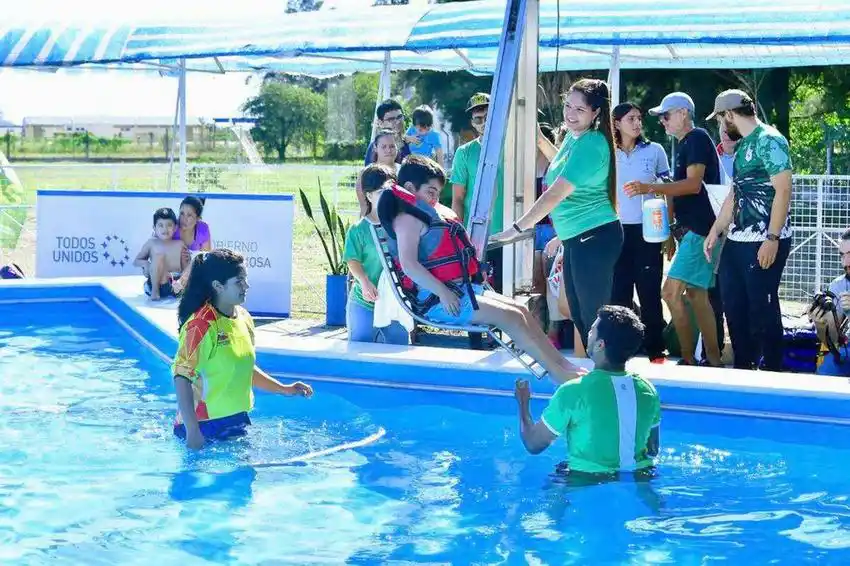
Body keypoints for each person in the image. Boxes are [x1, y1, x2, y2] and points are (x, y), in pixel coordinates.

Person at [378, 155, 586, 385]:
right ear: (409, 188)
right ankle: (558, 375)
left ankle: (563, 364)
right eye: (430, 191)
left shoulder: (425, 212)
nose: (435, 198)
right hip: (438, 300)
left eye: (438, 192)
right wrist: (442, 292)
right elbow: (409, 265)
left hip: (461, 289)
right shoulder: (406, 219)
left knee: (521, 311)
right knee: (512, 319)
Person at [492, 78, 622, 353]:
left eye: (579, 110)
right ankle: (594, 370)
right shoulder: (573, 139)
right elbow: (560, 164)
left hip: (595, 236)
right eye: (567, 106)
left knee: (593, 316)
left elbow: (554, 194)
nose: (570, 114)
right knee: (576, 311)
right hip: (576, 237)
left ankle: (609, 372)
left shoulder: (592, 143)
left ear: (596, 112)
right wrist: (538, 137)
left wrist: (516, 229)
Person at [172, 248, 313, 450]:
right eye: (239, 281)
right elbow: (181, 377)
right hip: (203, 426)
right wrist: (193, 431)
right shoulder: (200, 326)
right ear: (218, 286)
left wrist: (284, 389)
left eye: (245, 279)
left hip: (237, 420)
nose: (247, 286)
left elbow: (243, 368)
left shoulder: (244, 318)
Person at [624, 92, 723, 367]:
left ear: (682, 113)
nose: (662, 122)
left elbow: (692, 185)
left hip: (699, 231)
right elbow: (681, 192)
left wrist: (649, 188)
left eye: (665, 116)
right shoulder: (686, 144)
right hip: (696, 232)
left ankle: (691, 359)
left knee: (670, 293)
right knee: (696, 295)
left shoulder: (697, 139)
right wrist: (669, 228)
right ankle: (713, 360)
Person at [514, 305, 661, 476]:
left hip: (586, 482)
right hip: (640, 476)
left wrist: (523, 404)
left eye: (591, 331)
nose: (587, 335)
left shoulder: (572, 392)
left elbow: (533, 444)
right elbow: (652, 450)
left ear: (600, 345)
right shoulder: (648, 391)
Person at [705, 89, 793, 372]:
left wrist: (772, 237)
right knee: (732, 305)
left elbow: (783, 190)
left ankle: (773, 372)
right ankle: (744, 368)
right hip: (737, 239)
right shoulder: (744, 145)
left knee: (762, 308)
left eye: (720, 119)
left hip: (764, 238)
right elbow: (736, 192)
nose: (720, 125)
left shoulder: (770, 140)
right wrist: (716, 229)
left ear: (729, 115)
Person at [610, 102, 672, 363]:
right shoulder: (607, 153)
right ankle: (622, 350)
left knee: (649, 292)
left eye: (639, 118)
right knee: (618, 294)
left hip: (648, 231)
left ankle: (656, 350)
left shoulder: (655, 150)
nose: (637, 123)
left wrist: (668, 231)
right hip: (615, 231)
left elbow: (669, 189)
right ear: (616, 123)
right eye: (630, 118)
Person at [450, 92, 506, 349]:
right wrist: (458, 233)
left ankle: (505, 340)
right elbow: (458, 197)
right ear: (473, 122)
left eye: (488, 116)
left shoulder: (511, 148)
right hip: (477, 234)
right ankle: (476, 341)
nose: (483, 121)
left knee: (505, 289)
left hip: (509, 233)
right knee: (476, 290)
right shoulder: (465, 153)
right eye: (478, 118)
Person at [343, 164, 410, 345]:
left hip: (396, 303)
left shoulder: (402, 225)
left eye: (392, 191)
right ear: (369, 195)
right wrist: (364, 282)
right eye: (382, 192)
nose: (389, 197)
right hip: (365, 302)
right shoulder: (358, 230)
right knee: (359, 350)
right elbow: (352, 260)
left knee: (399, 350)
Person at [808, 229, 850, 376]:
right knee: (824, 376)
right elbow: (833, 341)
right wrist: (821, 325)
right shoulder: (838, 285)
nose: (846, 262)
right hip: (847, 350)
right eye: (842, 255)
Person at [133, 207, 188, 301]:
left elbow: (186, 268)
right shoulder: (151, 243)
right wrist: (146, 264)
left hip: (175, 284)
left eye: (169, 225)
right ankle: (155, 293)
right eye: (160, 225)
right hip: (157, 283)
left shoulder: (180, 244)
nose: (165, 229)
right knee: (159, 256)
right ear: (154, 228)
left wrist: (181, 282)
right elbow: (136, 261)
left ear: (175, 228)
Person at [172, 195, 212, 295]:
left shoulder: (203, 228)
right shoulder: (171, 225)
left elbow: (205, 258)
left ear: (198, 218)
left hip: (192, 274)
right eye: (181, 213)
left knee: (199, 258)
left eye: (189, 215)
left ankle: (181, 285)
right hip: (171, 270)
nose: (184, 219)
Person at [364, 99, 411, 167]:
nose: (397, 122)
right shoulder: (377, 147)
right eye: (391, 119)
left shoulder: (411, 142)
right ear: (381, 123)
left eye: (399, 117)